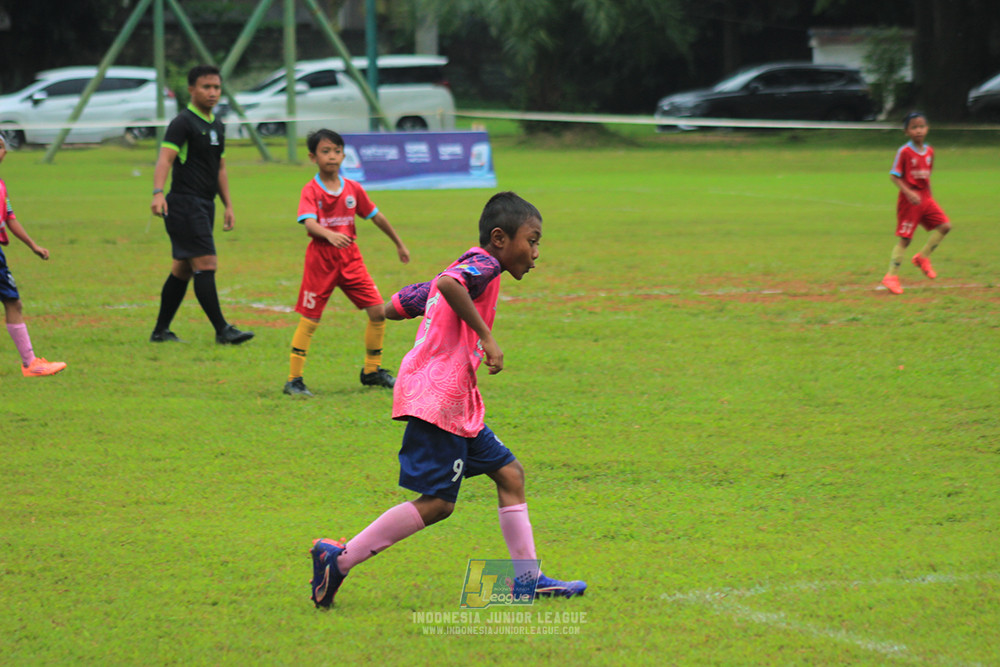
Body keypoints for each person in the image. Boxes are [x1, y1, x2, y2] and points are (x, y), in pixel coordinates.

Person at [308, 191, 586, 608]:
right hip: (439, 398)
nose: (535, 252)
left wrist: (384, 310)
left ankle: (526, 580)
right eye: (532, 240)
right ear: (499, 238)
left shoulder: (473, 265)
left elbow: (412, 299)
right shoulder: (483, 265)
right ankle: (339, 560)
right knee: (438, 503)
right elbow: (446, 284)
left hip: (456, 402)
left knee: (510, 474)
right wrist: (487, 337)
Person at [283, 129, 409, 397]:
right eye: (325, 151)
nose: (332, 156)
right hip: (321, 261)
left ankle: (372, 371)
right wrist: (330, 235)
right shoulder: (311, 190)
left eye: (337, 151)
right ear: (312, 157)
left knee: (378, 311)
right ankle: (294, 380)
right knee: (310, 319)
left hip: (351, 259)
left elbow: (376, 216)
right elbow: (309, 222)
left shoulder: (353, 188)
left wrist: (398, 243)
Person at [149, 64, 253, 344]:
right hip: (184, 203)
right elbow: (165, 159)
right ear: (192, 89)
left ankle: (160, 331)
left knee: (183, 268)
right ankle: (223, 330)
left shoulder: (217, 125)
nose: (212, 93)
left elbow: (220, 168)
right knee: (206, 263)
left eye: (217, 87)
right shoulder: (182, 123)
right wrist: (158, 192)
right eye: (206, 87)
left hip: (205, 205)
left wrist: (228, 205)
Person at [0, 134, 67, 376]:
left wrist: (33, 245)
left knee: (13, 302)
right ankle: (30, 364)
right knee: (13, 302)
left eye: (1, 147)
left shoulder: (1, 186)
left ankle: (30, 363)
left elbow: (10, 218)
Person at [881, 111, 952, 295]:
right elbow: (894, 176)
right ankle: (891, 276)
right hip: (909, 200)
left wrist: (929, 197)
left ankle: (922, 257)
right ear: (906, 131)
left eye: (921, 126)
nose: (918, 130)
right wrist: (908, 192)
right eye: (914, 127)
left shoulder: (929, 151)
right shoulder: (904, 152)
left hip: (925, 198)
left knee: (945, 226)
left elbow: (927, 177)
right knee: (906, 238)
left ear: (927, 129)